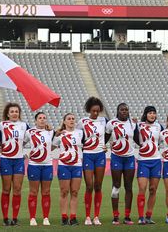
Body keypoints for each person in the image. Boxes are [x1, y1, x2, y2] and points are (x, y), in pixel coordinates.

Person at [0, 103, 29, 226]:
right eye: (12, 111)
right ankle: (5, 218)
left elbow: (33, 134)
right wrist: (0, 146)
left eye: (16, 111)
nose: (15, 113)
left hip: (19, 160)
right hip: (6, 160)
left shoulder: (24, 125)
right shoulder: (1, 125)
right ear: (7, 114)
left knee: (17, 189)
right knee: (6, 189)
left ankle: (15, 218)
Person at [77, 97, 108, 225]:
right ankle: (87, 216)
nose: (95, 113)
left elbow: (108, 134)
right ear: (89, 109)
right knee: (89, 186)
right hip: (88, 155)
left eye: (97, 111)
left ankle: (96, 216)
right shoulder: (82, 122)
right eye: (93, 111)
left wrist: (105, 145)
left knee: (98, 186)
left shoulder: (104, 121)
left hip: (100, 155)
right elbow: (78, 137)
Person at [105, 103, 137, 225]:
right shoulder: (111, 123)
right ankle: (115, 216)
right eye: (122, 110)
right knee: (116, 185)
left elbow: (138, 139)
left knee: (128, 186)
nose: (124, 111)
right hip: (116, 158)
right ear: (117, 111)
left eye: (126, 110)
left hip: (129, 158)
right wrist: (105, 146)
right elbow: (105, 138)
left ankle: (127, 216)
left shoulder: (132, 124)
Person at [53, 113, 84, 226]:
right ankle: (64, 217)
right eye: (69, 119)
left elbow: (87, 145)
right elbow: (50, 147)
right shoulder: (60, 134)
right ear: (64, 121)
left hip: (77, 165)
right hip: (63, 165)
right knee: (64, 192)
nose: (71, 120)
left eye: (73, 119)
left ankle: (73, 217)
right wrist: (54, 134)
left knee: (75, 192)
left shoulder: (80, 133)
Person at [24, 112, 54, 226]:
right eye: (40, 118)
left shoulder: (51, 131)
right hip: (34, 165)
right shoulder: (29, 132)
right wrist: (26, 154)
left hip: (47, 165)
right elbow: (20, 143)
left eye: (44, 118)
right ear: (35, 121)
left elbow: (56, 142)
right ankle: (32, 218)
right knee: (33, 192)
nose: (42, 120)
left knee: (46, 192)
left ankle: (46, 217)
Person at [135, 106, 163, 225]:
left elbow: (164, 139)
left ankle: (148, 216)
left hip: (156, 161)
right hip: (143, 161)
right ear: (145, 114)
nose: (152, 115)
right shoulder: (139, 125)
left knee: (153, 189)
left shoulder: (159, 126)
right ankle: (140, 217)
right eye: (150, 113)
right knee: (142, 188)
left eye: (154, 113)